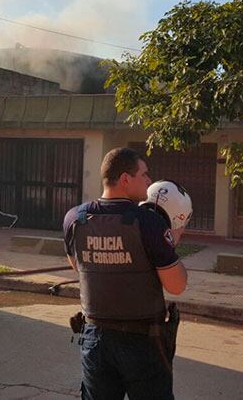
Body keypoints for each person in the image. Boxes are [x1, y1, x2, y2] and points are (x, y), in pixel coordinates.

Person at [63, 147, 190, 399]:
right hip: (142, 341)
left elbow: (78, 266)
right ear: (125, 179)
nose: (149, 180)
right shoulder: (148, 223)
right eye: (143, 174)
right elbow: (177, 285)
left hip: (95, 339)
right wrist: (170, 241)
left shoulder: (74, 219)